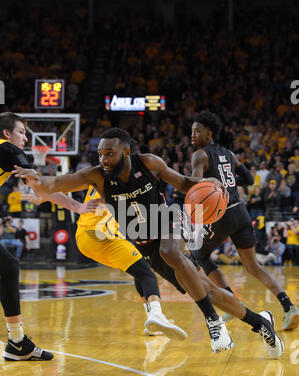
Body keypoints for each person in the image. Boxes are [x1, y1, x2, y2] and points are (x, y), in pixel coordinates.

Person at [13, 127, 284, 357]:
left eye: (110, 153)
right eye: (101, 154)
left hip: (167, 219)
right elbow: (56, 182)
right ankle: (261, 322)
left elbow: (185, 182)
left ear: (126, 152)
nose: (104, 159)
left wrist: (211, 181)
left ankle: (213, 321)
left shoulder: (149, 163)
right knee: (208, 291)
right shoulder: (96, 176)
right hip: (144, 241)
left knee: (170, 251)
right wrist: (38, 180)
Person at [22, 186, 187, 341]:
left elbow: (61, 186)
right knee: (146, 274)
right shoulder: (122, 181)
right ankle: (156, 315)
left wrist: (41, 197)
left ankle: (152, 320)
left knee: (139, 269)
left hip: (84, 238)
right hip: (101, 236)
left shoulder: (94, 177)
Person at [190, 110, 298, 331]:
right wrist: (227, 182)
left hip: (221, 215)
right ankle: (289, 307)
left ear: (209, 132)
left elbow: (194, 183)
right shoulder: (229, 154)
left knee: (198, 255)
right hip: (241, 213)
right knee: (253, 266)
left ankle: (232, 302)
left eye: (196, 130)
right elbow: (248, 179)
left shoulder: (200, 155)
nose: (192, 134)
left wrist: (211, 184)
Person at [0, 112, 53, 360]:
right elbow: (32, 175)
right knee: (9, 266)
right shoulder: (7, 150)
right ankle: (17, 341)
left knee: (9, 266)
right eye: (22, 132)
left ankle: (17, 341)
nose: (26, 138)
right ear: (6, 134)